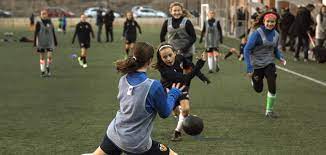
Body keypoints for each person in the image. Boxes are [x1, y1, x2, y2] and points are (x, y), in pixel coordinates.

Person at [92, 42, 181, 155]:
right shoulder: (153, 86)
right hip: (137, 144)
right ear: (149, 61)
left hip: (114, 133)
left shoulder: (123, 79)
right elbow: (165, 113)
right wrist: (173, 94)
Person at [153, 42, 209, 141]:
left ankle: (177, 132)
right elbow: (185, 78)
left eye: (170, 55)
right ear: (161, 58)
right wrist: (201, 63)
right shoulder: (163, 69)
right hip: (169, 90)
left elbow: (190, 66)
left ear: (175, 53)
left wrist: (202, 77)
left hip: (181, 87)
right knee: (177, 112)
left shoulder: (180, 58)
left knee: (186, 109)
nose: (168, 59)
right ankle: (181, 119)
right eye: (165, 57)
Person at [244, 12, 287, 118]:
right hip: (256, 65)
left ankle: (269, 111)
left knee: (272, 84)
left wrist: (280, 57)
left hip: (269, 63)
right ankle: (254, 81)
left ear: (275, 22)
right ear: (264, 22)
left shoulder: (276, 34)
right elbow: (246, 49)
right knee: (258, 89)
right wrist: (249, 67)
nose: (270, 24)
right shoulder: (257, 33)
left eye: (272, 22)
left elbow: (275, 49)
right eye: (268, 21)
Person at [33, 10, 57, 77]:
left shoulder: (50, 22)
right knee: (42, 57)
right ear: (40, 15)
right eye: (42, 14)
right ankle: (42, 71)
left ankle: (48, 68)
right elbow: (35, 33)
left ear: (47, 14)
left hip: (50, 42)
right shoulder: (38, 23)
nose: (44, 15)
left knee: (49, 56)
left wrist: (55, 41)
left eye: (45, 14)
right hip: (41, 42)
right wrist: (35, 42)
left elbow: (53, 31)